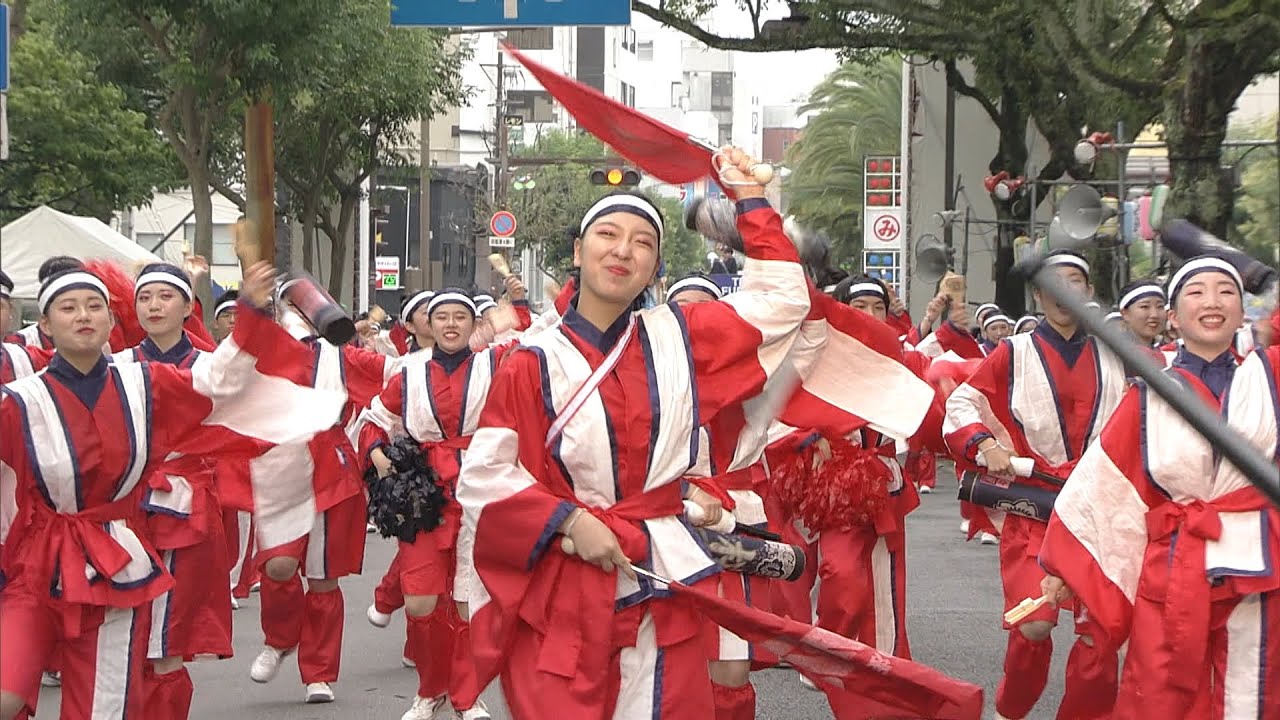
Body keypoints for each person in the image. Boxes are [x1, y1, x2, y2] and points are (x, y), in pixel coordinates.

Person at [456, 150, 810, 719]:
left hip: (660, 566)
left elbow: (788, 301)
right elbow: (486, 476)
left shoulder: (683, 338)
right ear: (578, 251)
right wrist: (570, 520)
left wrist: (749, 199)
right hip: (566, 576)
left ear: (655, 268)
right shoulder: (532, 362)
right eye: (608, 234)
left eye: (643, 242)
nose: (624, 250)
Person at [0, 262, 338, 720]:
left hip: (118, 554)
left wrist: (253, 310)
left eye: (94, 306)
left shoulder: (144, 384)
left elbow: (220, 382)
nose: (83, 315)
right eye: (68, 307)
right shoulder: (19, 401)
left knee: (108, 703)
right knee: (8, 695)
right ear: (45, 324)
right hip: (35, 562)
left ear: (110, 320)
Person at [1039, 256, 1277, 720]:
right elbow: (1106, 486)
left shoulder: (1271, 376)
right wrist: (1067, 564)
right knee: (1159, 693)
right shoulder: (1149, 392)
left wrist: (1264, 280)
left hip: (1260, 569)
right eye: (1196, 292)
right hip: (1174, 568)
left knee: (1254, 695)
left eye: (1226, 291)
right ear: (1172, 317)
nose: (1212, 302)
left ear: (1243, 309)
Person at [943, 250, 1128, 720]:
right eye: (1055, 283)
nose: (1066, 292)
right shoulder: (1013, 352)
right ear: (1039, 295)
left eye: (1076, 282)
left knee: (1097, 637)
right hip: (1035, 506)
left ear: (1088, 293)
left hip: (1096, 510)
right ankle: (1012, 705)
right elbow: (962, 402)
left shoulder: (1117, 354)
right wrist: (986, 446)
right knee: (1034, 625)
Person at [357, 276, 529, 720]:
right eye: (442, 317)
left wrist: (518, 300)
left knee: (469, 601)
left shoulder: (497, 362)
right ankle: (430, 688)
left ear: (473, 323)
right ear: (428, 324)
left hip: (479, 490)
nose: (451, 324)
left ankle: (466, 696)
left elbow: (542, 334)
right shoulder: (409, 371)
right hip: (422, 494)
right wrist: (376, 453)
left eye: (460, 317)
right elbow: (373, 417)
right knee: (421, 601)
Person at [244, 281, 397, 704]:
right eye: (290, 305)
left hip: (329, 464)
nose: (300, 312)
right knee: (277, 566)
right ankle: (279, 639)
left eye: (307, 304)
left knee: (322, 575)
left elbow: (398, 375)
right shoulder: (257, 351)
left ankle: (319, 671)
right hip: (278, 464)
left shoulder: (339, 355)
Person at [111, 263, 233, 719]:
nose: (154, 306)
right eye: (145, 297)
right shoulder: (116, 365)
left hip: (188, 505)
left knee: (168, 638)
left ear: (188, 307)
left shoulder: (211, 367)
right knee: (125, 632)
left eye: (166, 296)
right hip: (124, 507)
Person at [1117, 279, 1165, 347]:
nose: (1154, 315)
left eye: (1160, 306)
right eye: (1145, 306)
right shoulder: (1109, 354)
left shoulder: (1169, 354)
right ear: (1125, 313)